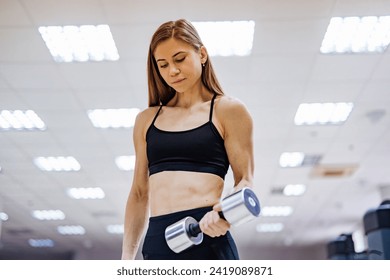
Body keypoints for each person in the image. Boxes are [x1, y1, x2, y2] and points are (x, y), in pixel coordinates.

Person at [121, 19, 254, 260]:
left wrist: (225, 214)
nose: (172, 71)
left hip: (207, 236)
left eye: (180, 59)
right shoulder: (146, 120)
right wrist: (126, 260)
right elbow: (139, 194)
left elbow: (245, 181)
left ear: (202, 54)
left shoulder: (228, 110)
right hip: (157, 243)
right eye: (162, 65)